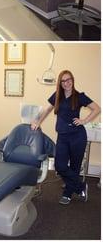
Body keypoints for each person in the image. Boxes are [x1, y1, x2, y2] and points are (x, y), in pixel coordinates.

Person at [31, 70, 100, 205]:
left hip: (77, 137)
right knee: (60, 166)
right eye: (63, 81)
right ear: (60, 83)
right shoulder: (57, 96)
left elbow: (97, 109)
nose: (66, 83)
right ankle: (80, 187)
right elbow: (47, 110)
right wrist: (37, 121)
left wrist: (84, 121)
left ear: (72, 80)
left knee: (75, 166)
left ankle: (68, 193)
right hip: (62, 137)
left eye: (69, 80)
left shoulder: (79, 96)